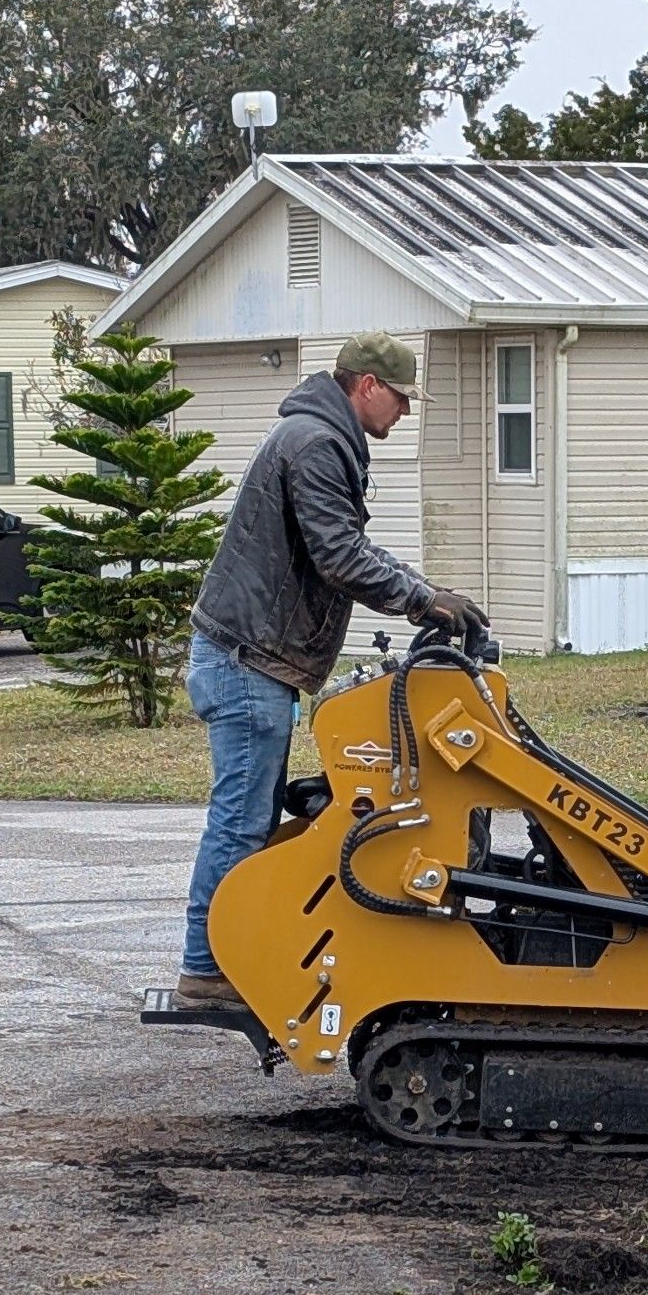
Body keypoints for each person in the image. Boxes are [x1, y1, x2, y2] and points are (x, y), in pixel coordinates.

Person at [177, 331, 487, 1005]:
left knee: (250, 816)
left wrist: (421, 589)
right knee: (240, 819)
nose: (404, 414)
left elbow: (349, 544)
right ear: (367, 387)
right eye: (400, 399)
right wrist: (422, 599)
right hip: (246, 659)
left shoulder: (318, 436)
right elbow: (339, 556)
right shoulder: (317, 445)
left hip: (252, 657)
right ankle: (206, 967)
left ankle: (227, 957)